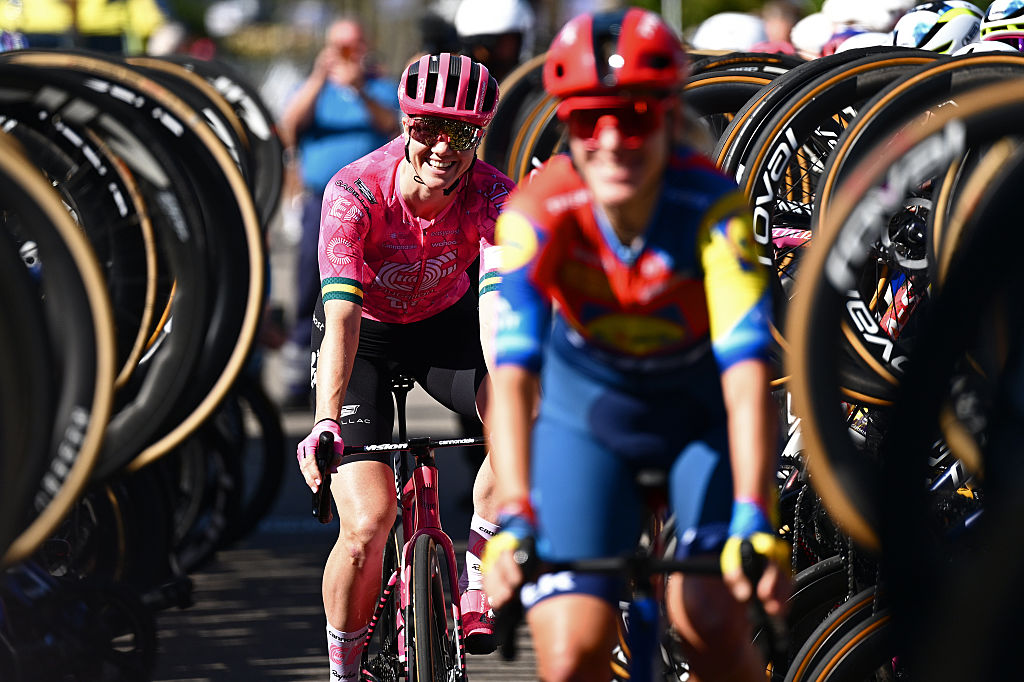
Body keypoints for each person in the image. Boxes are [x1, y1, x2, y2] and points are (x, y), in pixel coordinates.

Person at [481, 8, 790, 682]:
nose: (613, 140)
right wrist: (514, 514)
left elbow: (745, 373)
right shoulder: (535, 212)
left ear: (670, 118)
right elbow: (514, 376)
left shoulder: (713, 207)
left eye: (637, 116)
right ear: (566, 125)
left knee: (709, 620)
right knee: (572, 653)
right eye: (589, 120)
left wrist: (753, 513)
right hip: (586, 422)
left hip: (699, 420)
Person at [294, 52, 515, 681]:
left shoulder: (496, 196)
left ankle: (476, 572)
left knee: (522, 416)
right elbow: (341, 315)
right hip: (365, 336)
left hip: (449, 326)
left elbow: (500, 311)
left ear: (481, 135)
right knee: (368, 524)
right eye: (428, 128)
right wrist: (326, 420)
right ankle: (344, 669)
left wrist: (514, 400)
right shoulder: (355, 191)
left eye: (463, 134)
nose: (444, 147)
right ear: (405, 123)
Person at [277, 17, 401, 408]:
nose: (347, 54)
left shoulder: (380, 87)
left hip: (372, 203)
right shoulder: (315, 90)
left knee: (368, 286)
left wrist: (359, 89)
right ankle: (299, 373)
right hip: (321, 202)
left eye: (354, 45)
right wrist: (320, 77)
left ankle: (365, 372)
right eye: (340, 46)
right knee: (309, 284)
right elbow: (289, 126)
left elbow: (393, 125)